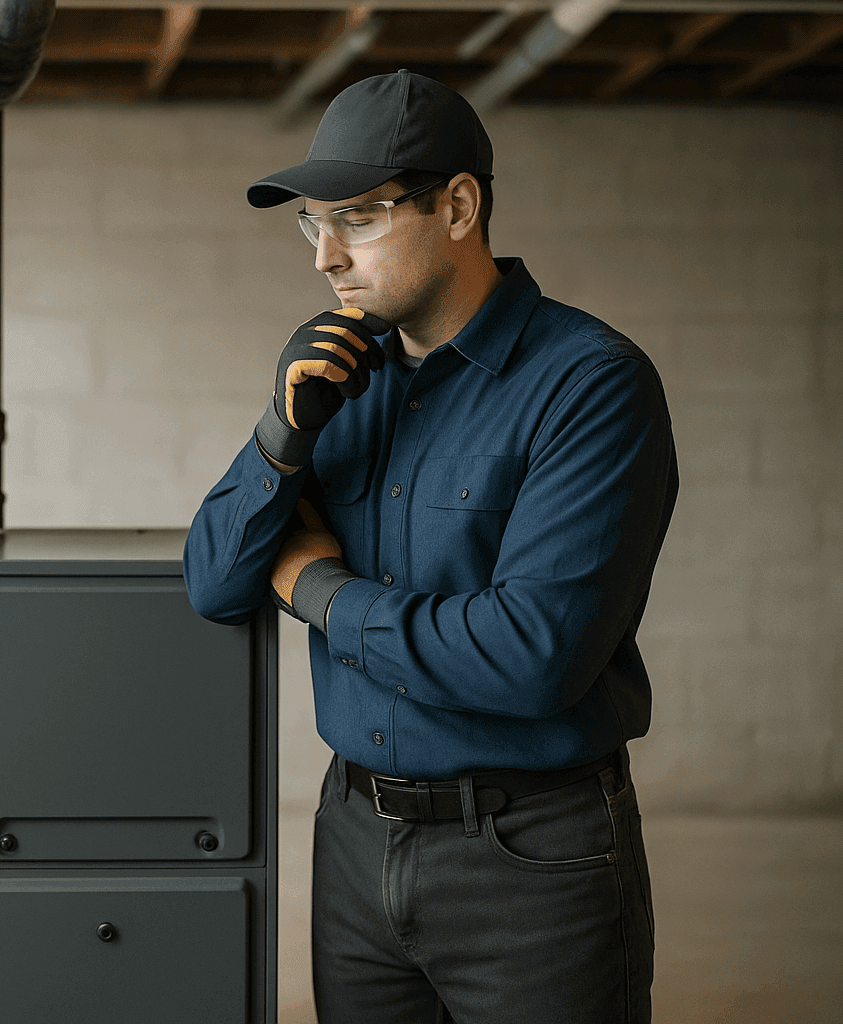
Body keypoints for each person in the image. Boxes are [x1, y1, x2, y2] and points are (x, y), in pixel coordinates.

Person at [183, 70, 677, 1024]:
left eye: (358, 218)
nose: (325, 256)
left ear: (458, 206)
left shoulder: (592, 386)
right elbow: (214, 580)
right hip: (355, 843)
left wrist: (319, 589)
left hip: (533, 862)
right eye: (310, 223)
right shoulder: (343, 383)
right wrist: (279, 437)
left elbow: (533, 656)